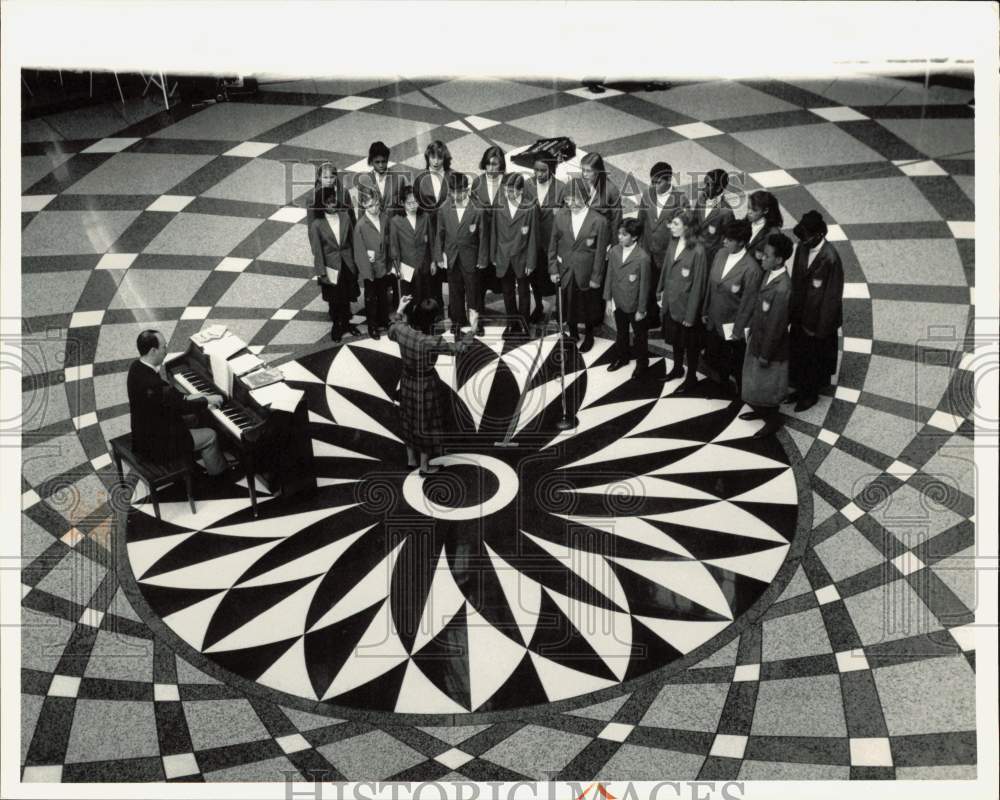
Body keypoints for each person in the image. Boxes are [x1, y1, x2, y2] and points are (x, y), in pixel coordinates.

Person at [388, 295, 478, 476]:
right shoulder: (431, 342)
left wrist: (399, 308)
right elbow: (460, 348)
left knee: (409, 417)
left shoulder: (402, 330)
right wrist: (473, 328)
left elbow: (392, 327)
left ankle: (411, 460)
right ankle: (425, 466)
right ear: (433, 322)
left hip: (407, 379)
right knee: (426, 423)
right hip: (426, 384)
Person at [127, 330, 228, 476]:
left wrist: (191, 396)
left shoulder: (136, 366)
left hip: (143, 434)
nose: (166, 351)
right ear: (153, 351)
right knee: (210, 435)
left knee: (194, 419)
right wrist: (206, 400)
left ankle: (199, 457)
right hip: (158, 444)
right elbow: (182, 407)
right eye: (164, 347)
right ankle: (221, 478)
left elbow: (169, 399)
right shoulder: (153, 384)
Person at [787, 210, 844, 412]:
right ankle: (799, 388)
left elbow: (832, 298)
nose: (804, 241)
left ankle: (810, 395)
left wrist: (822, 329)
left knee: (813, 359)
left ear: (819, 234)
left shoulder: (830, 258)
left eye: (807, 236)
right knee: (798, 355)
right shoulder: (803, 248)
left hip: (818, 322)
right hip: (800, 316)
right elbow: (795, 280)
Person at [740, 234, 794, 438]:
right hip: (758, 338)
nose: (762, 258)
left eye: (767, 256)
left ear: (779, 260)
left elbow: (777, 325)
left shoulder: (782, 288)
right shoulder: (768, 274)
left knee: (767, 388)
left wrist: (765, 354)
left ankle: (773, 420)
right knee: (756, 384)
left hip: (768, 347)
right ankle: (760, 411)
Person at [702, 218, 760, 406]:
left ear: (741, 242)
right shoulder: (720, 254)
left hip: (732, 326)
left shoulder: (751, 269)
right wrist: (705, 310)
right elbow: (711, 286)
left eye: (729, 239)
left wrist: (738, 330)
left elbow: (748, 304)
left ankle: (740, 395)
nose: (724, 241)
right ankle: (720, 384)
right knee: (715, 357)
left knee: (735, 362)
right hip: (713, 320)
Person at [548, 180, 609, 353]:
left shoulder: (599, 221)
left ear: (586, 197)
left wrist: (596, 277)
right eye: (568, 199)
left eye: (576, 199)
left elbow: (600, 253)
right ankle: (573, 333)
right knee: (567, 304)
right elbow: (553, 243)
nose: (571, 203)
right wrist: (553, 268)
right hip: (565, 269)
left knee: (588, 306)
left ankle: (589, 336)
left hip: (587, 273)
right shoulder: (560, 215)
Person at [657, 210, 708, 394]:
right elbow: (665, 268)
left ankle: (691, 376)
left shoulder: (699, 251)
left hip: (686, 307)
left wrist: (691, 314)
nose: (671, 227)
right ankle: (677, 369)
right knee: (674, 340)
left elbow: (699, 285)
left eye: (676, 224)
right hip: (671, 303)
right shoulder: (673, 242)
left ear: (687, 227)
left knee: (691, 345)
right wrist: (659, 290)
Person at [434, 172, 489, 331]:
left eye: (461, 191)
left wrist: (483, 259)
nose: (457, 195)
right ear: (450, 191)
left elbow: (483, 236)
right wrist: (439, 256)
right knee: (454, 291)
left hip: (471, 257)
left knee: (474, 291)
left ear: (467, 190)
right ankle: (457, 321)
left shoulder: (478, 209)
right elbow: (440, 233)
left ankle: (476, 323)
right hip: (451, 257)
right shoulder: (444, 209)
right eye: (454, 191)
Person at [638, 161, 690, 328]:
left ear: (668, 180)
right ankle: (652, 317)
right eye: (652, 181)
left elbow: (684, 229)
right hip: (648, 251)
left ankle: (667, 320)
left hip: (667, 254)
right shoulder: (647, 194)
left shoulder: (680, 199)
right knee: (649, 284)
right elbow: (641, 219)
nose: (654, 185)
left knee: (668, 287)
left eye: (658, 182)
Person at [308, 182, 358, 341]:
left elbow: (352, 240)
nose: (332, 204)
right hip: (330, 266)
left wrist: (357, 262)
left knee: (347, 295)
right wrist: (321, 272)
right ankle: (337, 325)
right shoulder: (316, 225)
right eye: (328, 202)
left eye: (333, 200)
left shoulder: (344, 216)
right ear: (321, 205)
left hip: (347, 261)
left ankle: (346, 322)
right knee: (334, 299)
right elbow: (317, 250)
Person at [490, 173, 538, 336]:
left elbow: (533, 238)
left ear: (521, 191)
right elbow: (494, 233)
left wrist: (531, 263)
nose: (508, 195)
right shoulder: (499, 205)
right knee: (507, 291)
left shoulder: (530, 207)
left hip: (522, 258)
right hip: (503, 256)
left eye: (512, 191)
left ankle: (524, 323)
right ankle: (512, 323)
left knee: (524, 291)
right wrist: (493, 255)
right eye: (506, 191)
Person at [604, 218, 652, 380]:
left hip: (634, 304)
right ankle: (622, 358)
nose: (619, 237)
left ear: (635, 237)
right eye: (619, 233)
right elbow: (609, 276)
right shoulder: (614, 251)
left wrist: (641, 309)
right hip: (618, 301)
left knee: (640, 336)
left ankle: (642, 363)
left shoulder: (643, 257)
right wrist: (608, 300)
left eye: (624, 235)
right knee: (621, 332)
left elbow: (645, 286)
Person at [411, 140, 452, 309]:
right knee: (430, 267)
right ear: (427, 157)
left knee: (449, 265)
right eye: (432, 157)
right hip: (427, 228)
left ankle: (454, 306)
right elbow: (415, 206)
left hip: (447, 228)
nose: (435, 162)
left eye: (440, 158)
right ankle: (434, 306)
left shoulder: (452, 176)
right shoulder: (420, 179)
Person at [525, 153, 564, 323]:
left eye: (543, 170)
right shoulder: (527, 185)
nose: (539, 174)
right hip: (532, 241)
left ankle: (559, 307)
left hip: (552, 241)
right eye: (536, 170)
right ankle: (539, 306)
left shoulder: (561, 188)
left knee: (555, 274)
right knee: (534, 275)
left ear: (552, 169)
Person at [352, 186, 393, 339]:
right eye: (370, 206)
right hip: (370, 269)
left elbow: (388, 241)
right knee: (371, 298)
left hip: (383, 265)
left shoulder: (384, 218)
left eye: (376, 204)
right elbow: (359, 253)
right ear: (363, 206)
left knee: (383, 295)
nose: (374, 208)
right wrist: (367, 273)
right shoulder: (361, 226)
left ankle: (384, 320)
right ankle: (372, 325)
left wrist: (390, 263)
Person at [390, 185, 435, 303]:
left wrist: (433, 261)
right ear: (402, 203)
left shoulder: (425, 217)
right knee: (409, 297)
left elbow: (431, 241)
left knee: (425, 297)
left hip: (424, 264)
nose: (413, 206)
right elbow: (394, 247)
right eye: (409, 203)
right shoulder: (396, 221)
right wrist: (397, 268)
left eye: (416, 202)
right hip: (407, 266)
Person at [353, 140, 407, 217]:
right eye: (377, 162)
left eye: (383, 161)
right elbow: (361, 210)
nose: (381, 165)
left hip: (395, 226)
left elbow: (405, 207)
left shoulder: (399, 179)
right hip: (375, 226)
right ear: (371, 162)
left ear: (387, 160)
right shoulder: (364, 181)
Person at [694, 168, 735, 265]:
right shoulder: (701, 198)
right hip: (694, 252)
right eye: (704, 183)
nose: (704, 188)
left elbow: (727, 240)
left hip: (710, 259)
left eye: (708, 185)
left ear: (718, 189)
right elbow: (694, 220)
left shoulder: (726, 212)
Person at [745, 190, 784, 264]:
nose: (749, 212)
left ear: (765, 210)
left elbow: (772, 262)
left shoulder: (773, 233)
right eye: (748, 208)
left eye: (754, 210)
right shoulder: (746, 221)